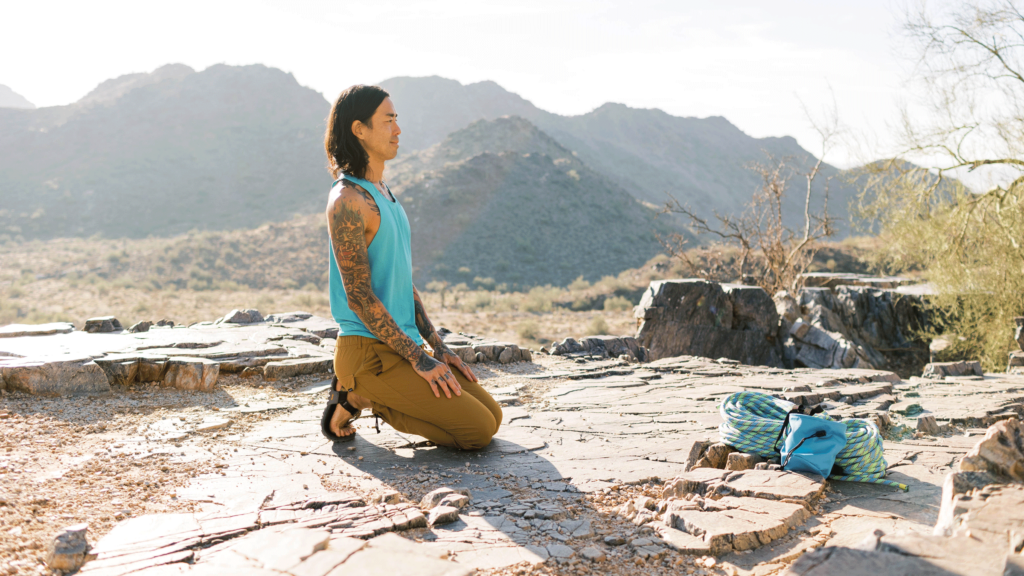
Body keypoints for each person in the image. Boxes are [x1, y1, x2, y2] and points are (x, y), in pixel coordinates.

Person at [320, 84, 501, 450]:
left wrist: (438, 348)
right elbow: (358, 296)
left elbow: (401, 282)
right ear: (359, 129)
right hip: (367, 353)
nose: (398, 130)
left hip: (400, 345)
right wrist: (419, 358)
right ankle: (355, 397)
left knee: (492, 414)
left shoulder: (384, 193)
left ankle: (367, 393)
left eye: (396, 120)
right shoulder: (348, 200)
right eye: (388, 121)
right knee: (477, 432)